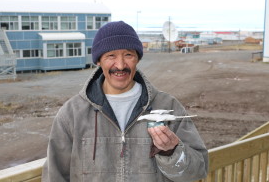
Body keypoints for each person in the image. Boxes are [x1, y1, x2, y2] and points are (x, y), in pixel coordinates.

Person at [42, 21, 208, 182]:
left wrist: (172, 152)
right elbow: (54, 175)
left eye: (128, 55)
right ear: (99, 61)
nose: (120, 65)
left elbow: (199, 169)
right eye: (111, 56)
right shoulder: (72, 113)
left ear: (137, 58)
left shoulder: (167, 107)